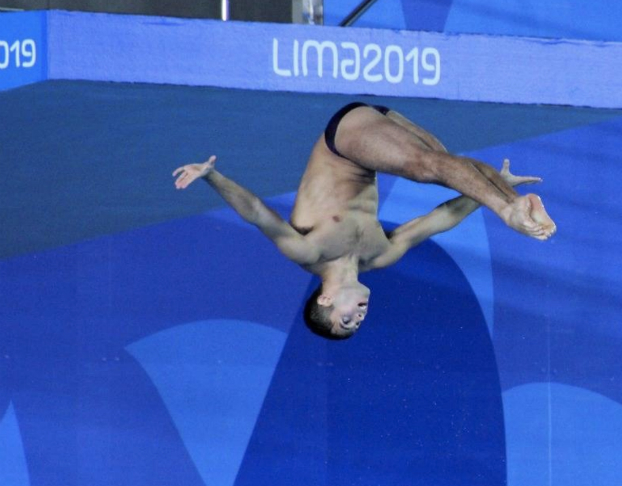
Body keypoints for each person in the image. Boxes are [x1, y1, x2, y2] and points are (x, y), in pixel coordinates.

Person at [173, 102, 555, 340]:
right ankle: (508, 196)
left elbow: (256, 212)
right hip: (381, 132)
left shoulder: (307, 249)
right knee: (449, 166)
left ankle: (509, 209)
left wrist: (212, 177)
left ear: (325, 299)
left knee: (427, 169)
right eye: (357, 323)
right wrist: (493, 187)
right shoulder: (380, 256)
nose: (358, 317)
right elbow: (440, 218)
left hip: (345, 138)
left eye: (346, 319)